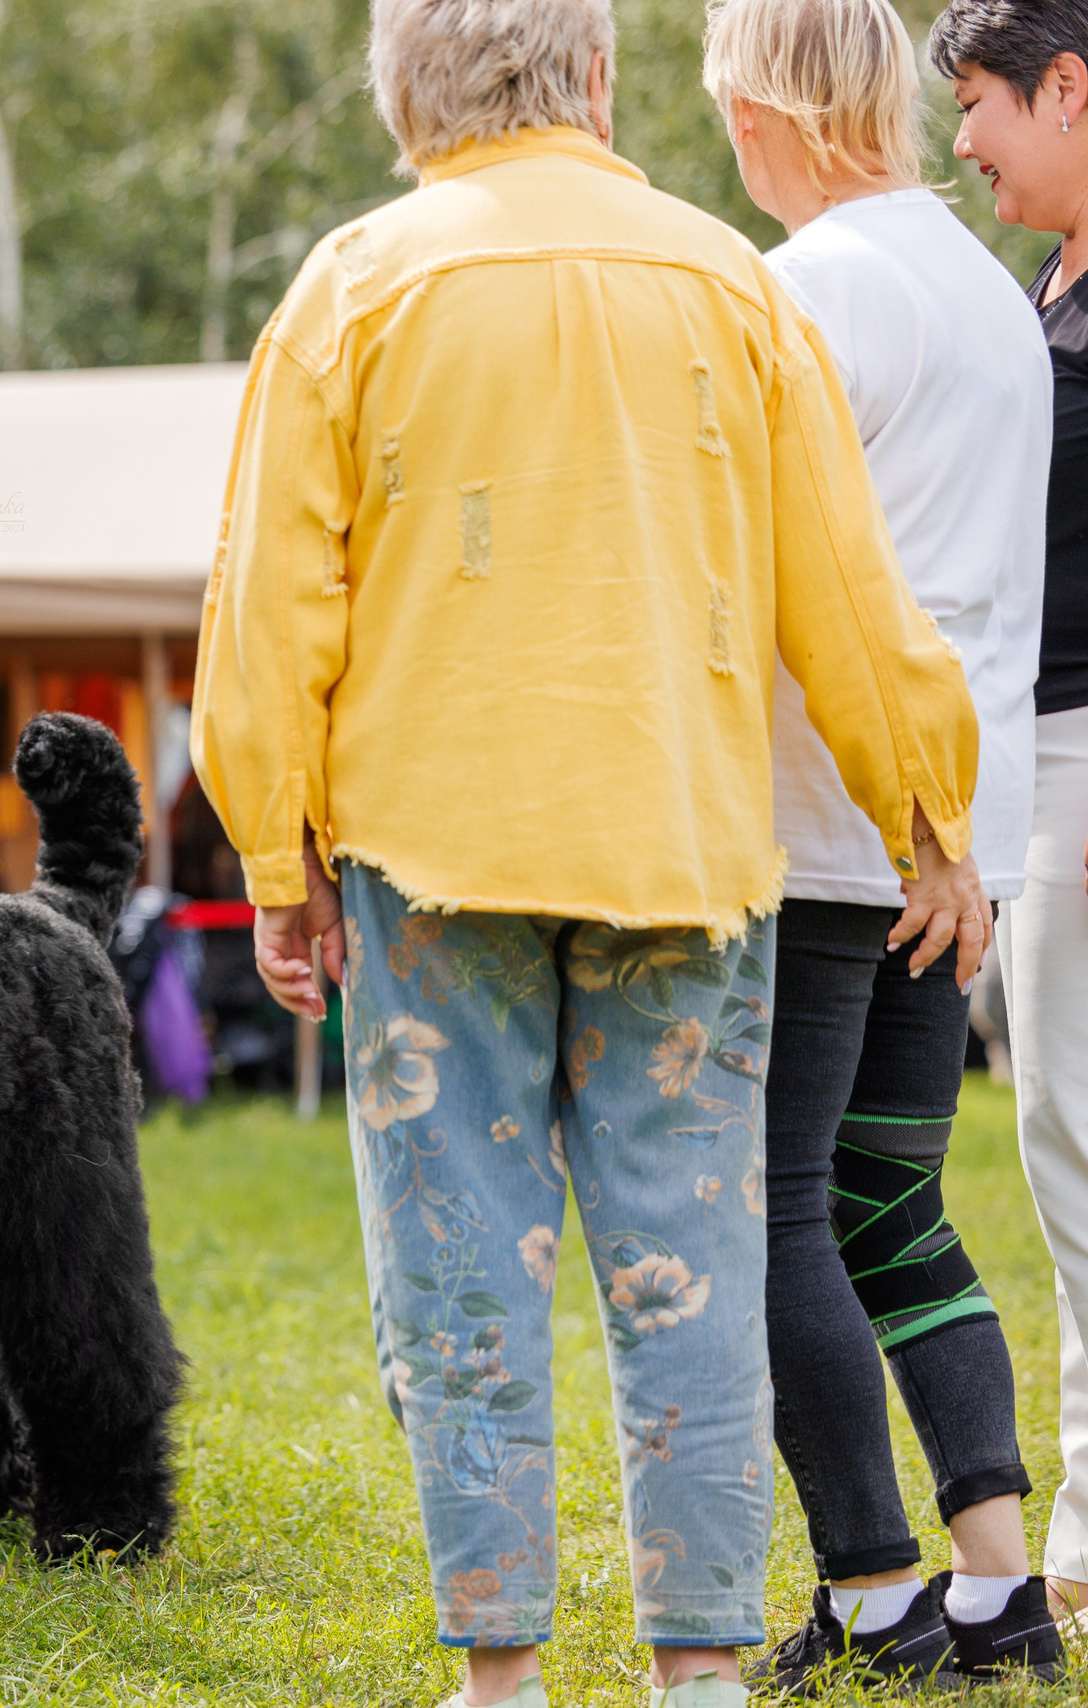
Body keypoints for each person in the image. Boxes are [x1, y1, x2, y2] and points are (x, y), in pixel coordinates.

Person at [190, 0, 984, 1702]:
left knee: (457, 1264)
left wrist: (278, 856)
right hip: (682, 850)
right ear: (602, 76)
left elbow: (266, 608)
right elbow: (847, 593)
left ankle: (502, 1678)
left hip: (430, 852)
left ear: (406, 87)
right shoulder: (730, 281)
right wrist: (927, 817)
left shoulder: (352, 283)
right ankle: (698, 1672)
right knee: (691, 1267)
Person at [702, 0, 1054, 1685]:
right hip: (958, 828)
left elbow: (747, 558)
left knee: (767, 1210)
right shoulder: (989, 289)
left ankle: (870, 1591)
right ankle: (1002, 1584)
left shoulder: (812, 288)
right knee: (892, 1202)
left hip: (821, 825)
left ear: (770, 106)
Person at [928, 0, 1088, 1644]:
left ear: (1068, 88)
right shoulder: (1044, 292)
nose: (963, 139)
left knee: (1081, 1141)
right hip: (1040, 752)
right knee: (1062, 1150)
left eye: (978, 103)